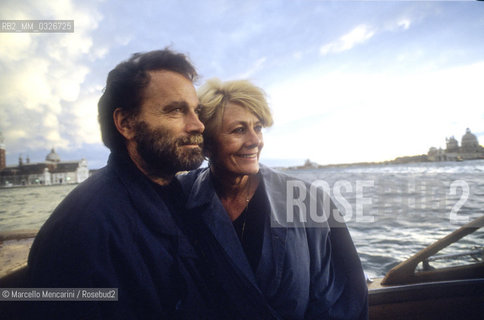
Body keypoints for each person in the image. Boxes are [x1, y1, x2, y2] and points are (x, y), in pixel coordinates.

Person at [27, 49, 221, 319]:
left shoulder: (177, 196)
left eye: (196, 111)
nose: (198, 125)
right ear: (126, 123)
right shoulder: (84, 230)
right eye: (176, 110)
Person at [177, 79, 369, 319]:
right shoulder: (179, 198)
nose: (255, 140)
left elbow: (340, 299)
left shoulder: (307, 200)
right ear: (206, 146)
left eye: (257, 128)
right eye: (238, 130)